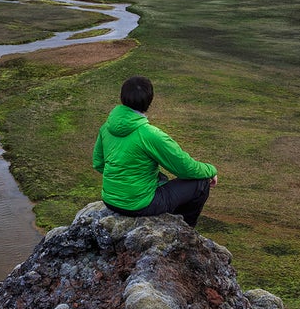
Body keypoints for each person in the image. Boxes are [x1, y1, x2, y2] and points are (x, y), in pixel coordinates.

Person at [92, 75, 218, 228]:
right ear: (149, 101)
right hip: (140, 205)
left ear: (122, 98)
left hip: (110, 201)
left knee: (162, 178)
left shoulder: (106, 127)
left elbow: (98, 163)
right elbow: (185, 168)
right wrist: (211, 170)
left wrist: (124, 183)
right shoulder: (150, 134)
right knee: (201, 182)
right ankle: (184, 229)